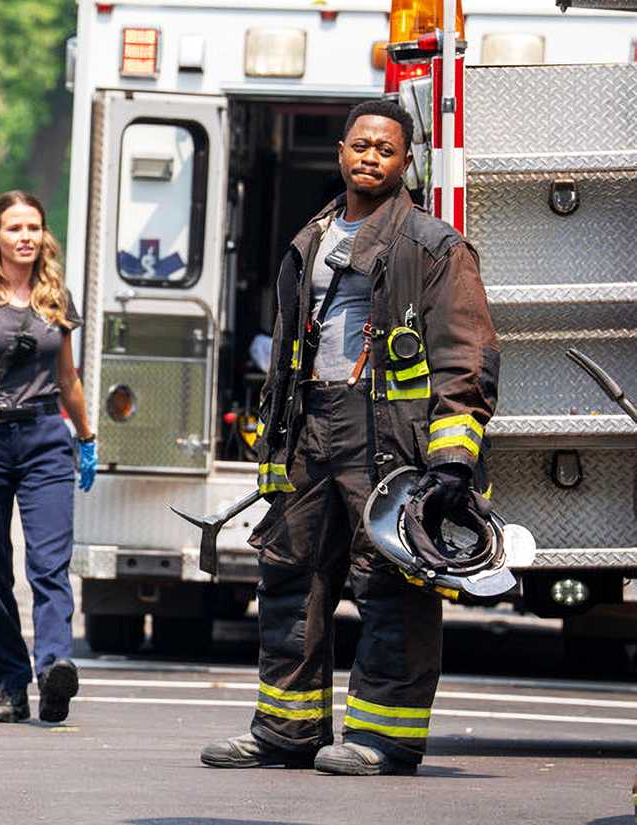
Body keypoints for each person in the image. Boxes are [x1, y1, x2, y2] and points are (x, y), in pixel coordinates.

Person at [200, 98, 497, 776]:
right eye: (360, 145)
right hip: (312, 426)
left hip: (387, 437)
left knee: (388, 580)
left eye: (385, 149)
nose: (369, 157)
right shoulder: (315, 234)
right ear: (340, 151)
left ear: (406, 161)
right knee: (289, 572)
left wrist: (452, 458)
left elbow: (467, 354)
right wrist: (278, 442)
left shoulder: (433, 245)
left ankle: (383, 737)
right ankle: (286, 728)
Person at [0, 190, 97, 726]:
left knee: (49, 564)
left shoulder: (56, 298)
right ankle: (9, 682)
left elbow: (68, 376)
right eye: (15, 228)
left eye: (34, 227)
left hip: (48, 439)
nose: (26, 236)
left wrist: (88, 436)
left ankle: (54, 669)